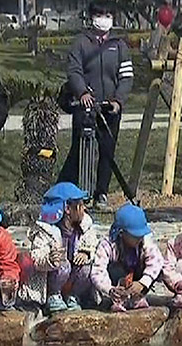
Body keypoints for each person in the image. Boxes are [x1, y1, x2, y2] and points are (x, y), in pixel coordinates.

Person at [57, 1, 133, 209]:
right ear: (91, 16)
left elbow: (126, 77)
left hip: (110, 109)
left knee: (107, 152)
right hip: (86, 108)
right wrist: (81, 91)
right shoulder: (81, 43)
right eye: (100, 14)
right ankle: (75, 192)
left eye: (108, 15)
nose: (104, 18)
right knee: (79, 151)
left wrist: (118, 99)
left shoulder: (119, 46)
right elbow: (74, 70)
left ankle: (101, 193)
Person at [20, 182, 98, 313]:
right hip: (53, 276)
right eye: (80, 205)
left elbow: (94, 243)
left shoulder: (85, 225)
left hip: (73, 277)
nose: (84, 209)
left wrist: (86, 252)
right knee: (63, 265)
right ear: (67, 209)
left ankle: (73, 296)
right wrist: (49, 259)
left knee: (87, 268)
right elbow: (36, 256)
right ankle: (53, 296)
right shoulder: (46, 230)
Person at [91, 204, 164, 312]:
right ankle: (118, 300)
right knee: (115, 269)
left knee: (157, 270)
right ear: (121, 233)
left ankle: (137, 298)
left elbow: (156, 261)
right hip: (118, 281)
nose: (139, 238)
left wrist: (143, 283)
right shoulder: (108, 245)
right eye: (135, 236)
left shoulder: (144, 241)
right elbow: (98, 271)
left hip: (138, 277)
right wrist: (109, 289)